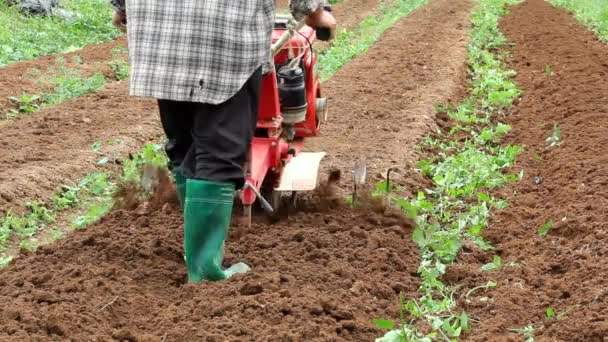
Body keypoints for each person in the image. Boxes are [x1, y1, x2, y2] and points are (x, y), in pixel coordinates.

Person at [109, 1, 336, 283]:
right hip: (223, 34)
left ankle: (197, 254)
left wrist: (121, 6)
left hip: (157, 31)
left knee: (184, 144)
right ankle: (205, 271)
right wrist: (313, 11)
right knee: (219, 154)